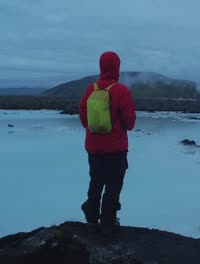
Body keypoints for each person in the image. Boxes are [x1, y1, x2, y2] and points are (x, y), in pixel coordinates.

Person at [79, 51, 136, 233]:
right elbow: (130, 122)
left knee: (95, 181)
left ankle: (91, 220)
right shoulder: (121, 91)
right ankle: (108, 222)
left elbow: (83, 119)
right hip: (116, 150)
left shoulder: (90, 89)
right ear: (116, 67)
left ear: (101, 66)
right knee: (113, 186)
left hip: (93, 148)